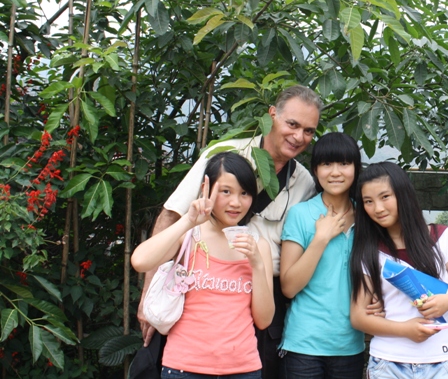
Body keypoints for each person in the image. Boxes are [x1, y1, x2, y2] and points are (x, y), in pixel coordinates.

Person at [138, 85, 322, 379]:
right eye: (292, 124)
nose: (299, 137)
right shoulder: (224, 156)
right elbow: (171, 215)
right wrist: (149, 296)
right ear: (272, 115)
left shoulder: (303, 181)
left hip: (262, 297)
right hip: (200, 292)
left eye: (309, 131)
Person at [131, 152, 274, 378]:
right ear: (206, 190)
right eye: (226, 191)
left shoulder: (258, 246)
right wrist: (188, 221)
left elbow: (264, 320)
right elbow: (140, 261)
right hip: (184, 368)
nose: (236, 202)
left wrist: (257, 264)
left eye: (244, 193)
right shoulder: (189, 236)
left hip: (243, 369)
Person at [349, 162, 448, 379]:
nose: (377, 208)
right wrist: (405, 330)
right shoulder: (369, 250)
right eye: (368, 201)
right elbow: (358, 317)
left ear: (403, 194)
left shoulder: (440, 236)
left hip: (441, 360)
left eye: (385, 197)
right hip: (388, 363)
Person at [279, 132, 365, 379]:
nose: (335, 172)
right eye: (327, 164)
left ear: (356, 169)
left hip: (350, 345)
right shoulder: (301, 214)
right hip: (303, 345)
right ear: (315, 170)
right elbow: (289, 287)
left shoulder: (367, 217)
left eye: (344, 163)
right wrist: (321, 239)